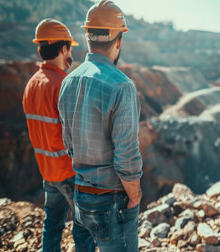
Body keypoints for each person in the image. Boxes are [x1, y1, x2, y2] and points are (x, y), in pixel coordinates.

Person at [57, 1, 143, 251]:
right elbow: (126, 156)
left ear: (87, 38)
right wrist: (135, 195)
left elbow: (69, 144)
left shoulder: (68, 81)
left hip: (81, 199)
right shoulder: (122, 86)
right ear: (118, 41)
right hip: (111, 203)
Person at [22, 18, 94, 252]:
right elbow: (78, 134)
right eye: (70, 49)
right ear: (63, 49)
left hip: (48, 171)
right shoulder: (62, 84)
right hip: (68, 172)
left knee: (52, 224)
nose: (70, 53)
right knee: (84, 228)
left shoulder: (31, 84)